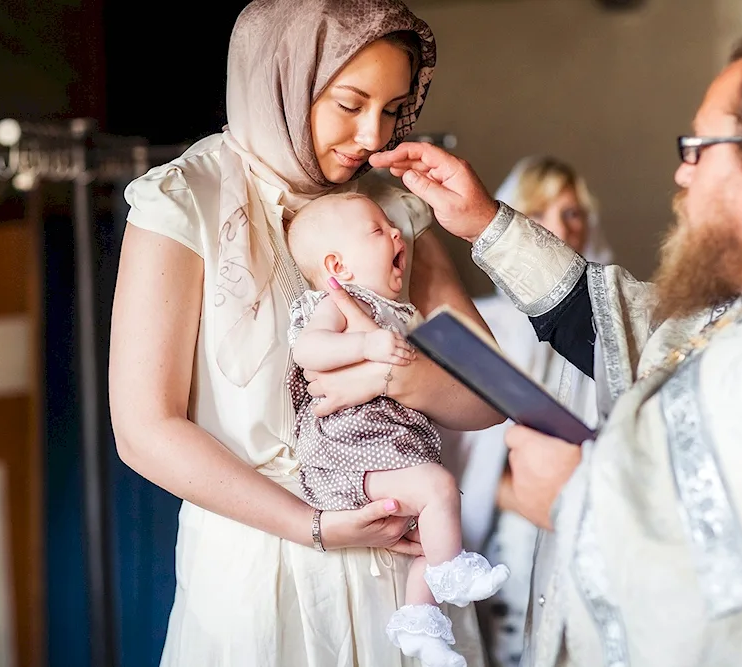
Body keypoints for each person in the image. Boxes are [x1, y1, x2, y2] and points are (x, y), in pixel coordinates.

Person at [372, 30, 742, 666]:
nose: (680, 172)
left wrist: (577, 498)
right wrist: (484, 223)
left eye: (695, 148)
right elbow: (641, 334)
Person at [108, 1, 502, 665]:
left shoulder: (393, 208)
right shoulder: (183, 200)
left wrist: (394, 372)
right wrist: (314, 526)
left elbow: (492, 391)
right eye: (349, 103)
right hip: (259, 574)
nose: (371, 135)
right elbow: (144, 430)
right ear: (281, 81)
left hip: (398, 570)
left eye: (392, 108)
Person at [286, 192, 510, 667]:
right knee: (439, 488)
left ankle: (422, 628)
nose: (395, 233)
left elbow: (477, 389)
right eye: (377, 230)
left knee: (432, 530)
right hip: (348, 453)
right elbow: (309, 351)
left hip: (392, 450)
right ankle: (451, 572)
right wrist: (368, 342)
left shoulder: (402, 311)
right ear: (337, 265)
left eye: (393, 226)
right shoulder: (337, 302)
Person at [441, 156, 611, 667]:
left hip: (585, 517)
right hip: (499, 525)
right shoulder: (483, 324)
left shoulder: (609, 333)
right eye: (542, 211)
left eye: (574, 213)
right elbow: (459, 445)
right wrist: (517, 496)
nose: (562, 227)